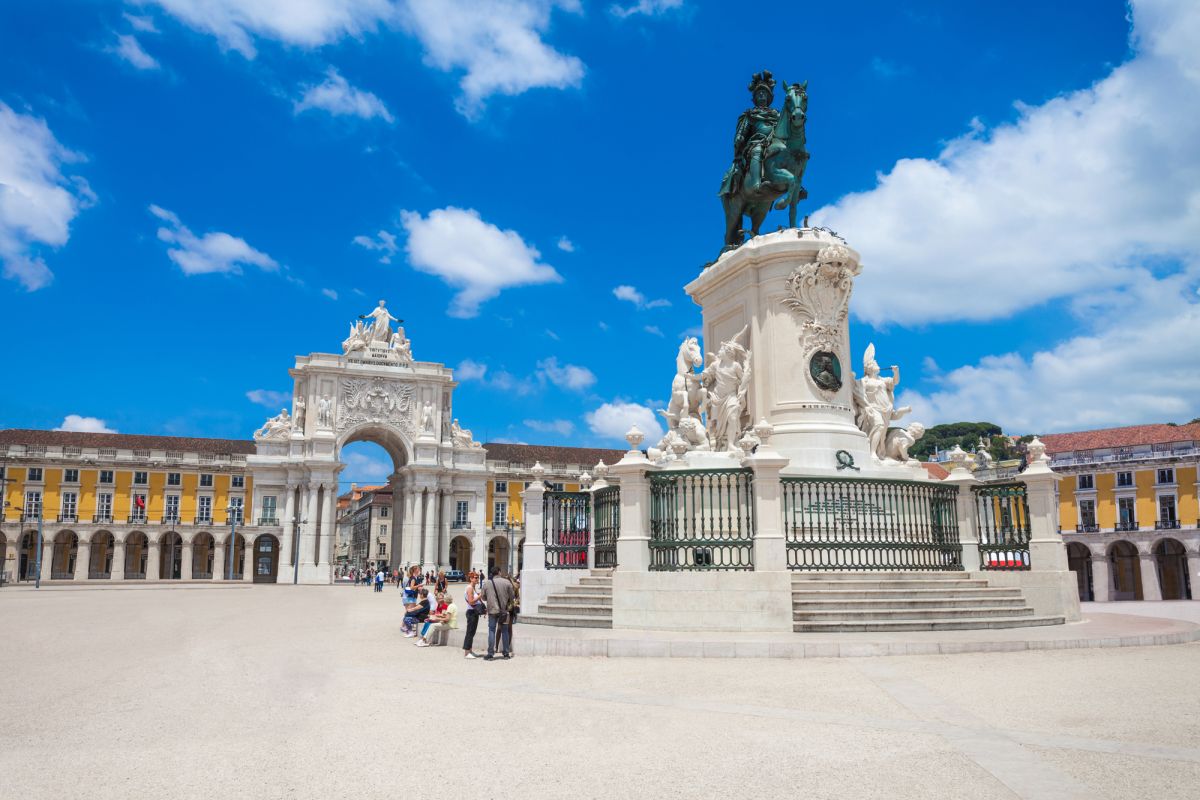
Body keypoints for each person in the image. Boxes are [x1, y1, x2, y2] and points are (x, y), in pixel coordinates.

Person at [480, 566, 515, 661]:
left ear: (492, 573)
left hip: (492, 610)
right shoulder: (506, 582)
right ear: (499, 572)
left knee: (492, 630)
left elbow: (483, 597)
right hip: (504, 611)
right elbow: (512, 597)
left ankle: (490, 653)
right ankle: (506, 653)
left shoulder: (487, 583)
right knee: (505, 631)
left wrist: (490, 599)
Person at [461, 573, 485, 659]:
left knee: (472, 632)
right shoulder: (470, 588)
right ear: (471, 578)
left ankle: (470, 651)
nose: (477, 579)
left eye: (478, 578)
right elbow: (471, 601)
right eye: (475, 577)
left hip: (473, 612)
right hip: (471, 612)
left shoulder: (472, 588)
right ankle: (467, 652)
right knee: (470, 632)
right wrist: (480, 596)